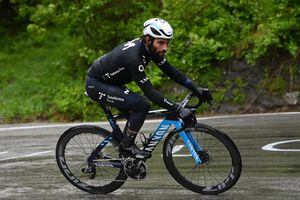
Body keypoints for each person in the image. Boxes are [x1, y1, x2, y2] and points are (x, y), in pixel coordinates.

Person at [85, 18, 212, 158]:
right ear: (148, 39)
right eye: (161, 43)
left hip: (111, 82)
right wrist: (177, 109)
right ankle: (126, 147)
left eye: (167, 43)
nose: (165, 48)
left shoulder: (150, 49)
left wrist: (195, 88)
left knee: (136, 109)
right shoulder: (134, 57)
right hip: (96, 84)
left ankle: (126, 151)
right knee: (142, 104)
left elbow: (171, 72)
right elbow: (150, 92)